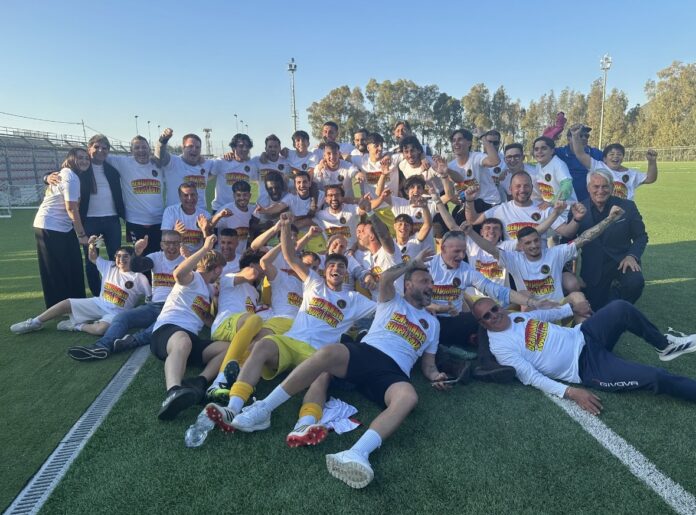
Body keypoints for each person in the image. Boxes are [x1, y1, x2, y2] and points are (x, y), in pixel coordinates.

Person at [215, 249, 447, 489]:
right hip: (367, 353)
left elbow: (429, 365)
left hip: (394, 372)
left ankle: (357, 453)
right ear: (408, 285)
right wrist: (413, 262)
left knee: (409, 397)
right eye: (425, 281)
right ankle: (264, 408)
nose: (430, 286)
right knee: (328, 352)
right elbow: (386, 278)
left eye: (431, 282)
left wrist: (435, 375)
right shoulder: (392, 300)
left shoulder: (433, 324)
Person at [204, 213, 375, 430]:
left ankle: (305, 424)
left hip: (317, 353)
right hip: (292, 341)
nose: (336, 269)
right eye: (332, 265)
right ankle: (233, 407)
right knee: (262, 345)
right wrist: (284, 228)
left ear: (345, 274)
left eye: (341, 267)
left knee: (324, 375)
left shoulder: (354, 299)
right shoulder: (314, 283)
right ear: (325, 271)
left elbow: (384, 309)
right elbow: (290, 257)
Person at [475, 297, 696, 415]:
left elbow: (542, 315)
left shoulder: (515, 316)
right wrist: (572, 392)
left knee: (620, 307)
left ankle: (664, 346)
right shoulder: (500, 348)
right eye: (487, 316)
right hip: (588, 366)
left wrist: (572, 309)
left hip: (585, 334)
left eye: (494, 309)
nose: (494, 315)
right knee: (656, 377)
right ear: (482, 323)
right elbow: (531, 377)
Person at [66, 231, 185, 360]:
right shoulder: (156, 257)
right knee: (122, 317)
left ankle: (132, 341)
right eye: (167, 243)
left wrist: (189, 256)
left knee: (160, 326)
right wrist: (137, 252)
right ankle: (101, 346)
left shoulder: (187, 260)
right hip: (154, 306)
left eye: (175, 243)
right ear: (161, 245)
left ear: (181, 244)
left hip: (176, 307)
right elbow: (138, 266)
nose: (171, 247)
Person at [150, 235, 228, 420]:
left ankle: (198, 381)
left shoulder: (208, 290)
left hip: (190, 339)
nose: (220, 275)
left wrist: (217, 300)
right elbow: (178, 274)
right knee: (183, 341)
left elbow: (208, 320)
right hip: (167, 331)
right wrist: (204, 249)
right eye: (221, 271)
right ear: (217, 268)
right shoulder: (194, 278)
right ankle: (173, 392)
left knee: (228, 348)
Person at [11, 239, 149, 336]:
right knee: (66, 303)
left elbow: (150, 299)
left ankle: (76, 326)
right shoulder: (109, 266)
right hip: (98, 303)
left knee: (100, 330)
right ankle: (35, 322)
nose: (121, 260)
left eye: (125, 256)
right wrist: (91, 244)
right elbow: (93, 257)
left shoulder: (139, 277)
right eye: (118, 256)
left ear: (133, 257)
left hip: (116, 313)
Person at [555, 168, 648, 310]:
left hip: (622, 263)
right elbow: (567, 243)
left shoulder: (628, 207)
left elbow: (641, 236)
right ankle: (610, 305)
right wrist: (568, 272)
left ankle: (617, 308)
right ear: (588, 188)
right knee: (596, 309)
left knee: (635, 282)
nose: (600, 191)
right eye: (596, 186)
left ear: (612, 187)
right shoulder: (578, 210)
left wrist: (632, 256)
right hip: (593, 269)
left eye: (605, 186)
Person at [32, 148, 90, 308]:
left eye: (87, 158)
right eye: (80, 157)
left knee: (72, 265)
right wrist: (82, 235)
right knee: (55, 269)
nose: (84, 161)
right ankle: (59, 307)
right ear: (70, 159)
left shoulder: (67, 174)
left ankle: (75, 303)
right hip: (50, 226)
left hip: (62, 227)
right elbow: (71, 208)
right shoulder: (70, 176)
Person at [106, 131, 169, 254]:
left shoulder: (158, 164)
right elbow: (98, 155)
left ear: (149, 149)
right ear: (131, 151)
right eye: (137, 148)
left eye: (144, 147)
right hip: (135, 222)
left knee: (158, 256)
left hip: (159, 221)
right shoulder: (123, 162)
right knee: (139, 257)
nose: (141, 150)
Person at [81, 134, 126, 297]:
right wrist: (47, 177)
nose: (101, 150)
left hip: (112, 221)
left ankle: (117, 292)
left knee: (117, 257)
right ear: (89, 149)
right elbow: (61, 171)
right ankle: (97, 294)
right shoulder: (81, 168)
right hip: (90, 222)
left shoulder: (112, 170)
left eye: (105, 148)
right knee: (92, 259)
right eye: (97, 147)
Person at [567, 126, 659, 201]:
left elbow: (650, 179)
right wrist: (575, 136)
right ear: (604, 159)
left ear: (622, 158)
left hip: (624, 212)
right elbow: (580, 154)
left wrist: (652, 162)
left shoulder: (631, 174)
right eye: (611, 154)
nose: (615, 156)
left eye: (619, 154)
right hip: (602, 211)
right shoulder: (598, 166)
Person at [157, 131, 212, 209]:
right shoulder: (173, 161)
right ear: (183, 148)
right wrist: (163, 140)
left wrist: (229, 155)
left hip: (200, 213)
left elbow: (221, 165)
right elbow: (160, 155)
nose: (194, 149)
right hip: (176, 214)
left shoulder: (206, 164)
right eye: (190, 146)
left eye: (197, 147)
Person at [553, 123, 603, 202]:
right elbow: (543, 148)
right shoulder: (560, 153)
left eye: (586, 136)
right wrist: (552, 133)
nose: (584, 138)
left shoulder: (596, 153)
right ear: (569, 139)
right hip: (565, 202)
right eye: (580, 135)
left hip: (589, 202)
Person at [210, 133, 258, 212]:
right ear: (233, 147)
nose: (245, 149)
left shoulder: (251, 165)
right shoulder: (222, 162)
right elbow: (206, 176)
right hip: (221, 209)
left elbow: (260, 182)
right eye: (241, 146)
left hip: (241, 210)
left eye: (247, 146)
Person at [531, 136, 577, 208]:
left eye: (544, 148)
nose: (539, 151)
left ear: (552, 151)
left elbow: (567, 185)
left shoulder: (558, 164)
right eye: (536, 149)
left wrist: (552, 203)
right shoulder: (538, 166)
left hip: (566, 209)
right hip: (550, 208)